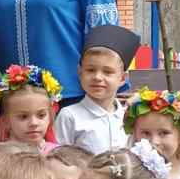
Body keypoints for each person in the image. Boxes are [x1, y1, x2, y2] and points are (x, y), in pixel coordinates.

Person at [54, 26, 139, 154]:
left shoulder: (128, 116)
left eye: (108, 72)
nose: (97, 77)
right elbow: (59, 159)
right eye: (90, 70)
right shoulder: (69, 116)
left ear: (122, 78)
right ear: (80, 72)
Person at [125, 88, 180, 179]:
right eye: (146, 133)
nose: (154, 141)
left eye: (164, 133)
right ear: (135, 133)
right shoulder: (128, 175)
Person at [0, 63, 64, 148]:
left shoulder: (57, 152)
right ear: (5, 121)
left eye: (41, 115)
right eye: (23, 116)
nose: (33, 123)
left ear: (50, 116)